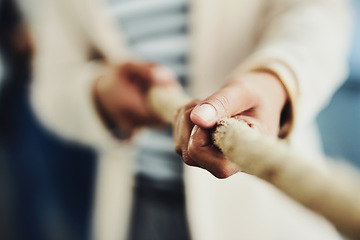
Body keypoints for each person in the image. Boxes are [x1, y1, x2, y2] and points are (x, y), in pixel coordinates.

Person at [18, 0, 351, 239]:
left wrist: (275, 78)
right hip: (136, 205)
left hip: (262, 211)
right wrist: (100, 95)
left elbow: (318, 13)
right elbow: (51, 86)